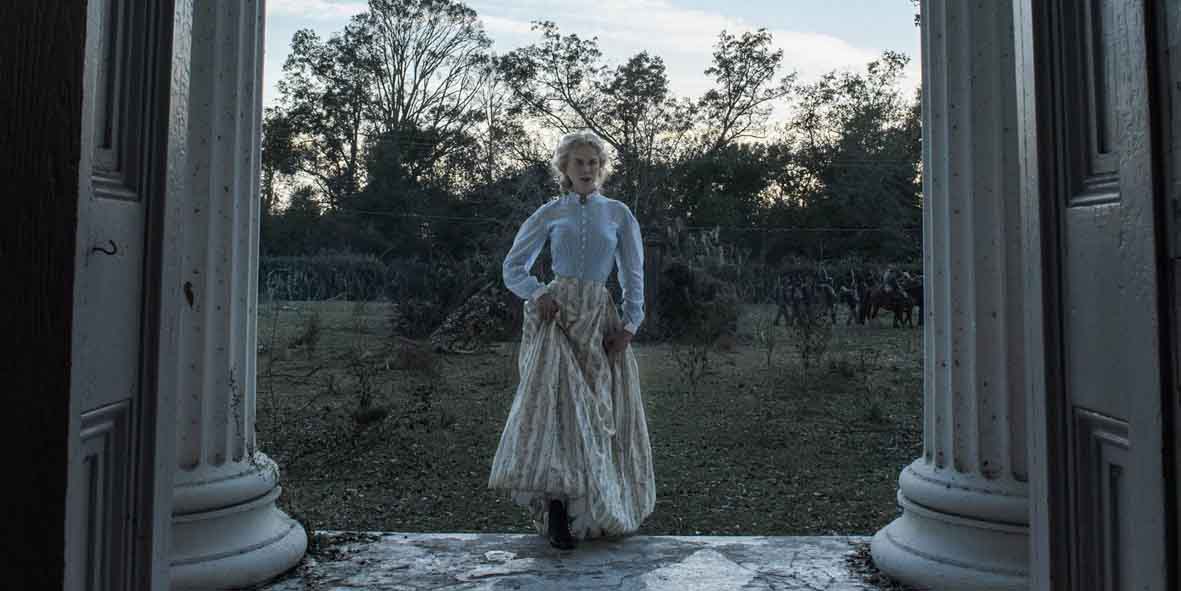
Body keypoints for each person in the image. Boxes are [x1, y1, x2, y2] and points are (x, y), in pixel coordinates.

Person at [487, 129, 656, 550]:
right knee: (556, 413)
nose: (587, 169)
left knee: (597, 415)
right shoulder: (550, 212)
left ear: (601, 169)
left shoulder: (618, 214)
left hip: (598, 321)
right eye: (579, 162)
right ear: (564, 167)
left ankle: (594, 506)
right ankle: (557, 511)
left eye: (593, 163)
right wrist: (538, 293)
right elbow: (513, 267)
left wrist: (630, 325)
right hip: (557, 320)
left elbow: (633, 273)